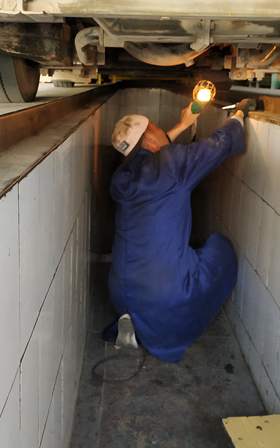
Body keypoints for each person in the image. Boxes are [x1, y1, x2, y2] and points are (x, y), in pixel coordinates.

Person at [106, 98, 252, 362]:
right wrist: (239, 114)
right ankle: (161, 327)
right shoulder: (174, 165)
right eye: (155, 127)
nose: (160, 129)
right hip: (165, 297)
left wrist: (184, 125)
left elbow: (151, 149)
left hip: (121, 292)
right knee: (219, 248)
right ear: (149, 137)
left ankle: (132, 320)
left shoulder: (121, 178)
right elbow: (219, 144)